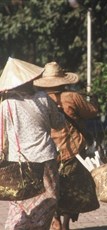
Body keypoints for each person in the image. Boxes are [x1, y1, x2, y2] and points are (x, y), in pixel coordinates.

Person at [0, 57, 65, 229]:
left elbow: (1, 136)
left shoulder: (5, 105)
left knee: (19, 202)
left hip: (18, 161)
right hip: (45, 159)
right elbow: (58, 124)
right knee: (49, 199)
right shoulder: (43, 98)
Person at [34, 62, 100, 230]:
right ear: (63, 79)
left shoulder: (38, 99)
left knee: (50, 188)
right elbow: (91, 112)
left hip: (46, 150)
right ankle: (65, 224)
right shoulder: (72, 96)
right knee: (71, 188)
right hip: (71, 150)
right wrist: (94, 100)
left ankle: (55, 219)